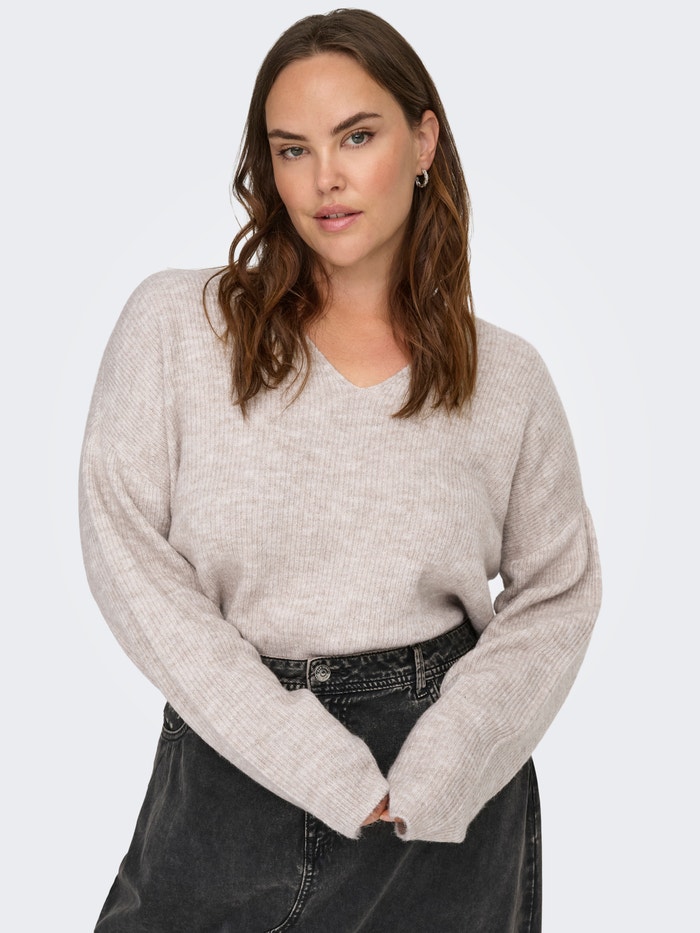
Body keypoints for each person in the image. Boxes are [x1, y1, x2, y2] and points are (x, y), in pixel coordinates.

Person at [80, 9, 601, 932]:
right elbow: (125, 552)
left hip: (439, 806)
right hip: (230, 768)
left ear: (423, 140)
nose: (325, 177)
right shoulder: (177, 328)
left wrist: (444, 768)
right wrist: (310, 756)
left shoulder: (506, 378)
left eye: (357, 136)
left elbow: (558, 590)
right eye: (293, 149)